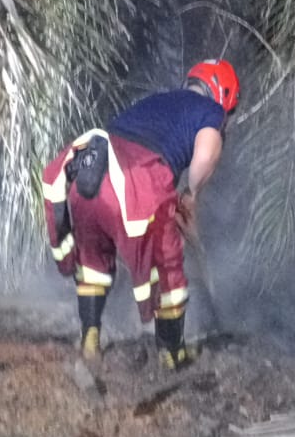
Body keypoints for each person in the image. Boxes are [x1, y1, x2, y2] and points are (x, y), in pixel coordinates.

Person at [41, 58, 239, 369]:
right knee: (168, 266)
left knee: (93, 261)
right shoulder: (210, 112)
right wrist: (192, 193)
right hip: (139, 181)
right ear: (224, 96)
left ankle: (90, 339)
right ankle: (172, 353)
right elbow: (206, 150)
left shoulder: (156, 101)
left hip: (89, 173)